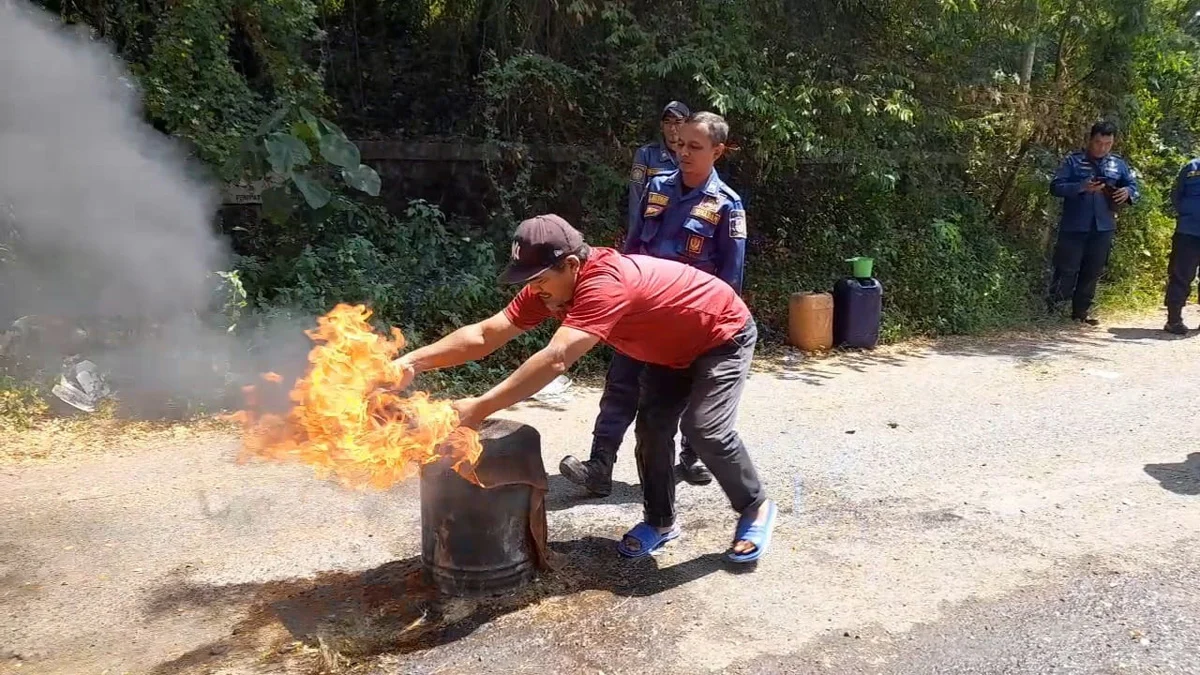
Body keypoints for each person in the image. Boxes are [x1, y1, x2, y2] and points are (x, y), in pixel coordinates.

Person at [391, 214, 777, 564]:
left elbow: (557, 357)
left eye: (540, 279)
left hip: (721, 335)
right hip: (668, 350)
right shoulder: (552, 285)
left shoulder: (605, 284)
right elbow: (485, 334)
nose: (534, 289)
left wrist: (479, 407)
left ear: (572, 264)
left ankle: (755, 506)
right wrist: (411, 361)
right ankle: (661, 523)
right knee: (653, 430)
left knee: (704, 427)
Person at [560, 111, 747, 496]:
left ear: (718, 151)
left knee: (694, 389)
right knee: (620, 385)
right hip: (640, 308)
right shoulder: (657, 186)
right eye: (680, 144)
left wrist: (711, 331)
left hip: (689, 320)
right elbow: (633, 247)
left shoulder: (727, 205)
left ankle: (692, 456)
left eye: (695, 147)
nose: (684, 153)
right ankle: (600, 465)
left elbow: (730, 281)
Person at [1048, 120, 1141, 325]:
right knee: (1067, 268)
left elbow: (1133, 186)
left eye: (1108, 144)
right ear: (1091, 140)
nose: (1103, 148)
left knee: (1093, 269)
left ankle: (1081, 313)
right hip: (1074, 225)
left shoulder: (1118, 164)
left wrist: (1128, 192)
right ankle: (1054, 311)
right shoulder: (1073, 161)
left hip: (1103, 226)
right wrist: (1082, 187)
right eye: (1099, 142)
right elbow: (1056, 187)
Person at [628, 101, 690, 236]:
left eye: (678, 122)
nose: (672, 128)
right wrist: (634, 236)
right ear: (662, 126)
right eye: (668, 122)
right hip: (652, 232)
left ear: (687, 125)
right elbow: (636, 198)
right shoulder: (646, 154)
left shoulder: (693, 156)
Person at [1163, 157, 1200, 334]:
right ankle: (1174, 319)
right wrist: (1187, 213)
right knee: (1181, 276)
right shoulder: (1191, 167)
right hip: (1188, 231)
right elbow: (1176, 194)